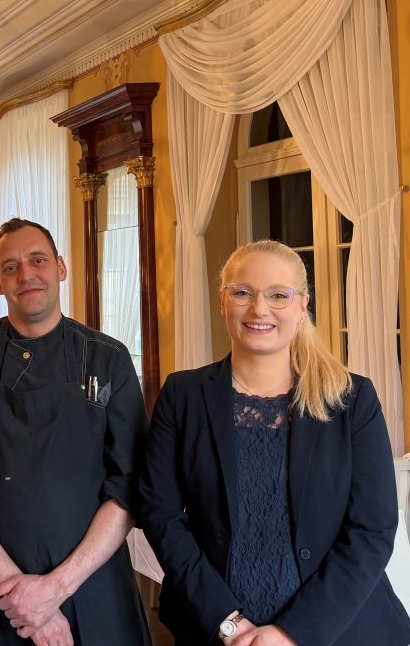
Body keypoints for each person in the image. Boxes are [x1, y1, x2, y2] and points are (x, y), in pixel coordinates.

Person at [140, 239, 410, 646]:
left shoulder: (351, 400)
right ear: (223, 301)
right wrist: (228, 623)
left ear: (302, 306)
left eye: (278, 295)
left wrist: (291, 633)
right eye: (242, 292)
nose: (259, 309)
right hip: (215, 631)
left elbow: (372, 529)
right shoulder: (182, 395)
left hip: (341, 630)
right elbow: (160, 515)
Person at [0, 217, 151, 646]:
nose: (26, 275)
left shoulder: (109, 359)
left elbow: (128, 487)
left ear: (60, 267)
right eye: (10, 267)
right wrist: (20, 593)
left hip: (92, 582)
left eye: (38, 260)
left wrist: (54, 589)